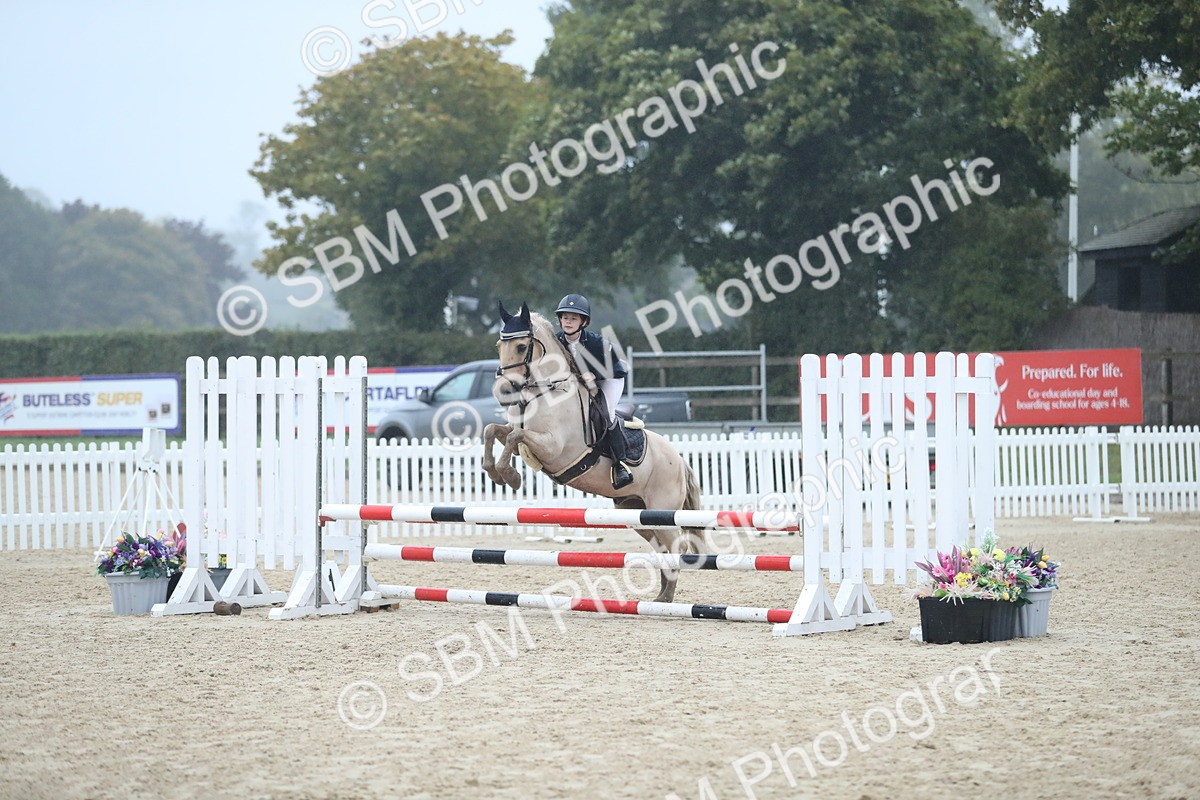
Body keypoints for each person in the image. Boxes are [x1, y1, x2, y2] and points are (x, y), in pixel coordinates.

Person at [553, 293, 634, 490]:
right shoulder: (557, 341)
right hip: (581, 383)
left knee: (606, 413)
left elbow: (615, 362)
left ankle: (620, 464)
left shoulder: (596, 342)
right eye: (565, 317)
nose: (568, 322)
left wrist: (596, 374)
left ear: (584, 322)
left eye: (573, 318)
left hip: (611, 378)